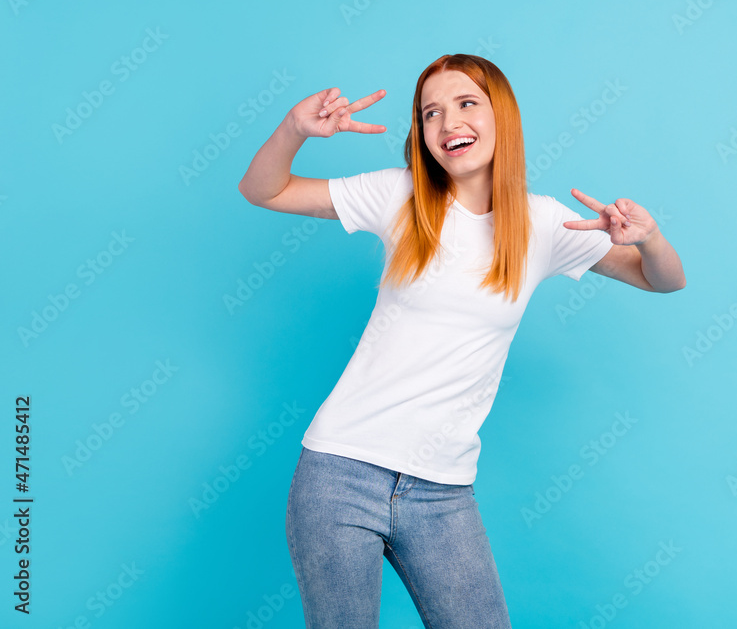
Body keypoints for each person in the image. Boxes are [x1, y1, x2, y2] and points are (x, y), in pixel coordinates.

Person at [237, 54, 685, 629]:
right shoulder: (400, 197)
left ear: (501, 116)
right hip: (341, 474)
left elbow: (665, 280)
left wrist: (649, 239)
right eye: (431, 113)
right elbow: (263, 190)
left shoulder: (541, 224)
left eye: (466, 104)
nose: (449, 123)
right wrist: (295, 130)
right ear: (421, 135)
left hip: (442, 491)